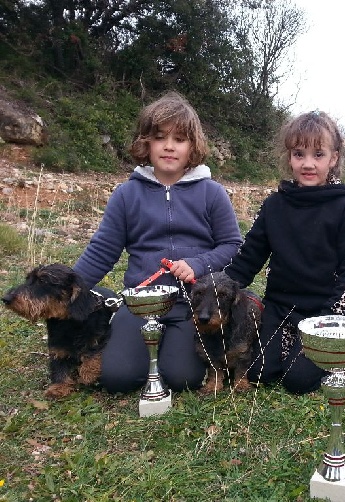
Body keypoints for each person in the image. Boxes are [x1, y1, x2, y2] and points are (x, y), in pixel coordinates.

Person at [73, 91, 243, 393]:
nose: (169, 146)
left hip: (189, 305)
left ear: (192, 146)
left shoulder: (212, 192)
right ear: (145, 143)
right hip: (139, 303)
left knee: (183, 379)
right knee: (117, 379)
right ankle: (117, 327)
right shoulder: (126, 194)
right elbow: (101, 251)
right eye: (160, 137)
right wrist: (68, 289)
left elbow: (231, 245)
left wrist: (198, 264)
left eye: (179, 139)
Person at [223, 111, 345, 394]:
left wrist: (328, 319)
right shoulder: (274, 205)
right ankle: (289, 343)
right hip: (280, 307)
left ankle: (330, 354)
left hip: (323, 312)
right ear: (289, 157)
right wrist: (217, 288)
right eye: (299, 154)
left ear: (334, 158)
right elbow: (247, 258)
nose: (308, 164)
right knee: (257, 371)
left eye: (318, 154)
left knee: (297, 381)